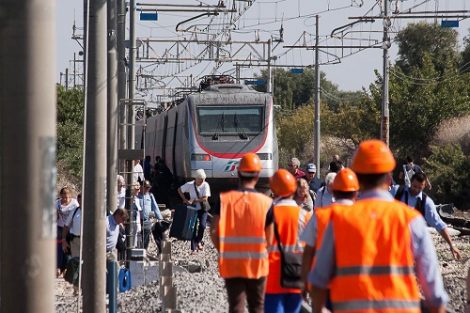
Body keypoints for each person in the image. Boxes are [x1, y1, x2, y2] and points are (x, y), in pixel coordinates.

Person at [310, 139, 448, 313]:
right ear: (389, 177)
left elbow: (318, 280)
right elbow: (434, 292)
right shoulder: (411, 220)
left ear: (357, 178)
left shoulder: (338, 220)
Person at [210, 153, 273, 313]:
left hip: (232, 265)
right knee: (257, 307)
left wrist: (223, 251)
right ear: (258, 175)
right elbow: (270, 241)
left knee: (236, 307)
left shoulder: (224, 200)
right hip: (257, 265)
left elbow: (214, 230)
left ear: (238, 173)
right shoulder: (267, 204)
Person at [300, 168, 359, 309]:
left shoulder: (320, 216)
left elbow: (308, 252)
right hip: (356, 286)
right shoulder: (365, 216)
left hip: (324, 284)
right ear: (356, 193)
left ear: (334, 191)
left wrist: (304, 284)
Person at [265, 169, 312, 313]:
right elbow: (311, 251)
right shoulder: (305, 215)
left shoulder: (268, 214)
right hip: (297, 276)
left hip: (272, 279)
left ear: (273, 191)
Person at [391, 172, 461, 260]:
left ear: (424, 186)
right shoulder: (396, 191)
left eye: (420, 188)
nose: (416, 190)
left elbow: (439, 224)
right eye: (414, 186)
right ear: (410, 183)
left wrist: (452, 245)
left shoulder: (426, 203)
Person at [177, 169, 211, 253]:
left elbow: (205, 198)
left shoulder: (205, 185)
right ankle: (193, 247)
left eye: (203, 179)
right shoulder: (190, 185)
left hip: (203, 209)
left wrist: (194, 200)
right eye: (200, 179)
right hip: (193, 209)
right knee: (193, 227)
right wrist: (185, 199)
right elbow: (179, 190)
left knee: (202, 226)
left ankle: (198, 240)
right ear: (196, 178)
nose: (202, 180)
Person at [56, 186, 80, 276]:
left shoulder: (74, 203)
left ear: (70, 196)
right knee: (59, 248)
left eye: (67, 197)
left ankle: (65, 268)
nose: (65, 199)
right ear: (61, 196)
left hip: (70, 228)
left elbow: (77, 213)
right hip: (60, 227)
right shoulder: (57, 203)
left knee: (67, 249)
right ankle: (58, 267)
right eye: (63, 197)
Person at [138, 180, 163, 250]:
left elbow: (155, 207)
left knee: (146, 239)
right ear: (141, 187)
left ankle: (144, 252)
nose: (147, 189)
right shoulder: (137, 195)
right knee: (137, 239)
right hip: (138, 221)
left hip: (146, 221)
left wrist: (159, 218)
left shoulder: (150, 196)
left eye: (149, 188)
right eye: (146, 187)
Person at [62, 193, 82, 258]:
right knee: (75, 261)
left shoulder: (91, 212)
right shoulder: (74, 211)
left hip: (87, 240)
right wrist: (64, 240)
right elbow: (66, 226)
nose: (80, 202)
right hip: (75, 240)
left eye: (81, 200)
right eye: (79, 200)